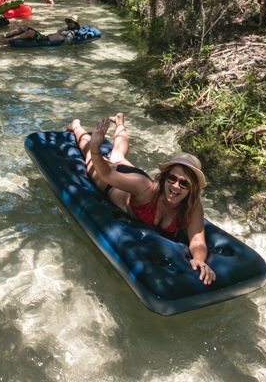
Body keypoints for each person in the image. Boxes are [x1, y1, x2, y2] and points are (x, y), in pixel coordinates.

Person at [67, 113, 216, 285]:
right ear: (165, 177)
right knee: (90, 156)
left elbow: (198, 240)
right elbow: (106, 174)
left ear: (192, 189)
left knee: (118, 156)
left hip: (132, 178)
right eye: (172, 178)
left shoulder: (192, 206)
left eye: (184, 184)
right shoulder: (146, 189)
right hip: (111, 184)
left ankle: (120, 122)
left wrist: (199, 259)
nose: (175, 186)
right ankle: (76, 126)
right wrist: (95, 147)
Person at [0, 15, 81, 44]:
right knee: (23, 27)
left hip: (45, 40)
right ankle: (4, 35)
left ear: (75, 24)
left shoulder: (71, 32)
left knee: (30, 32)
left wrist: (69, 32)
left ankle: (6, 40)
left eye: (71, 22)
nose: (69, 23)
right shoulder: (67, 28)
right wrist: (65, 27)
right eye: (68, 21)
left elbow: (67, 41)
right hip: (44, 37)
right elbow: (58, 32)